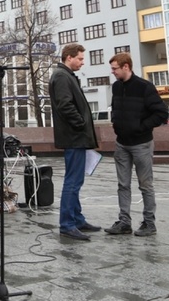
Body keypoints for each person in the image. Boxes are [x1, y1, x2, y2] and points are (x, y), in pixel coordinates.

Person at [104, 53, 168, 237]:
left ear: (126, 66)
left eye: (115, 68)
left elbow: (161, 113)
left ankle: (149, 224)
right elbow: (115, 109)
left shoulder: (144, 87)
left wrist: (141, 127)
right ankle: (124, 223)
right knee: (122, 185)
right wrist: (116, 123)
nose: (112, 72)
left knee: (145, 185)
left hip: (142, 144)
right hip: (121, 144)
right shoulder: (116, 86)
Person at [49, 43, 100, 241]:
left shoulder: (66, 75)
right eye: (80, 58)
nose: (82, 62)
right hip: (74, 137)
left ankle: (77, 219)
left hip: (75, 137)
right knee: (73, 181)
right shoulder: (62, 76)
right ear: (69, 57)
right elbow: (65, 105)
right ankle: (67, 224)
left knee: (76, 180)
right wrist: (81, 124)